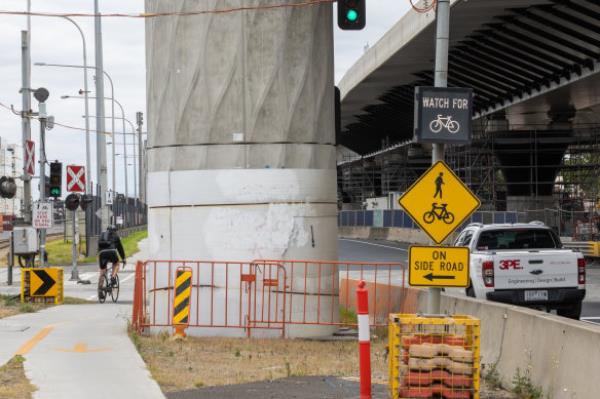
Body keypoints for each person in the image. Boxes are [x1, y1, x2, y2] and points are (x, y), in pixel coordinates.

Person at [97, 225, 126, 299]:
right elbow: (120, 249)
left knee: (102, 270)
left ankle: (100, 288)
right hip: (112, 252)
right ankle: (113, 277)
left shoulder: (102, 235)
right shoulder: (116, 236)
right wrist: (123, 259)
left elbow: (98, 246)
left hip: (102, 253)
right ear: (115, 231)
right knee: (116, 263)